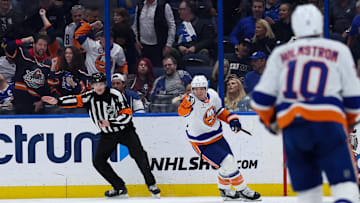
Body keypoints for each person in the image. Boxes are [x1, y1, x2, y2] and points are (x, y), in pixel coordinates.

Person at [251, 4, 360, 203]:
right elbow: (354, 97)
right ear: (320, 25)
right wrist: (349, 122)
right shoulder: (338, 50)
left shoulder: (280, 54)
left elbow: (260, 99)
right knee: (344, 187)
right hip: (329, 122)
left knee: (309, 194)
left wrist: (271, 122)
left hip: (294, 126)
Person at [41, 72, 161, 198]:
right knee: (98, 161)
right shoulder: (89, 96)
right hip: (108, 134)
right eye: (96, 84)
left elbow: (127, 114)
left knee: (140, 155)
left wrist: (111, 122)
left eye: (101, 84)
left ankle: (151, 184)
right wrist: (58, 101)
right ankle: (119, 187)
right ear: (92, 85)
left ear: (105, 84)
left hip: (125, 131)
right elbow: (76, 100)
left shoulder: (116, 95)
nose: (98, 87)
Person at [177, 75, 261, 201]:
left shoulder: (213, 95)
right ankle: (242, 190)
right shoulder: (191, 101)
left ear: (206, 88)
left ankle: (225, 190)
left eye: (201, 89)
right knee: (227, 161)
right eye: (195, 89)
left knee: (229, 162)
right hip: (201, 142)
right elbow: (182, 112)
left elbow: (219, 112)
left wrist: (232, 120)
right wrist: (184, 104)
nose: (198, 92)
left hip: (217, 136)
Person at [4, 34, 51, 114]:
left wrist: (41, 101)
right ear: (34, 45)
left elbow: (45, 86)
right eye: (40, 45)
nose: (42, 47)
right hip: (21, 101)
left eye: (45, 45)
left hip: (37, 104)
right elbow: (8, 47)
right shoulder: (23, 55)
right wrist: (23, 40)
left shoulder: (47, 64)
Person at [132, 0, 176, 66]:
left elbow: (171, 25)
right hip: (143, 47)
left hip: (159, 47)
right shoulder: (140, 6)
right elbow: (135, 25)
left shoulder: (164, 6)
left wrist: (168, 45)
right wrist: (136, 41)